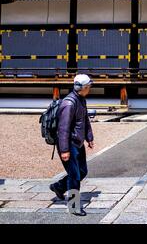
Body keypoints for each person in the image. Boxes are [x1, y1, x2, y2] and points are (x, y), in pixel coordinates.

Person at [49, 74, 94, 217]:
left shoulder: (81, 100)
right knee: (74, 175)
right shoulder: (69, 104)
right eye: (89, 86)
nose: (90, 89)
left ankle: (58, 186)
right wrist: (64, 150)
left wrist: (89, 137)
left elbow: (85, 120)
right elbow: (63, 129)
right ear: (84, 87)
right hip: (69, 144)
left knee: (83, 171)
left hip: (78, 142)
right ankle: (74, 206)